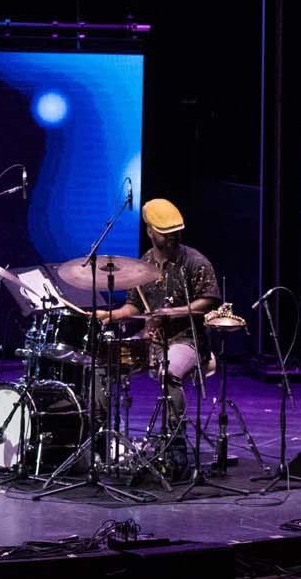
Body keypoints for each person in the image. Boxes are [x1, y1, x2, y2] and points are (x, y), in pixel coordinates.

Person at [94, 198, 220, 467]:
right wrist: (112, 316)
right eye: (166, 232)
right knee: (103, 365)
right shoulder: (144, 264)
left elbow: (210, 300)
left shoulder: (195, 262)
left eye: (176, 231)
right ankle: (100, 438)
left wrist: (173, 313)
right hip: (151, 340)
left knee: (169, 372)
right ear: (150, 231)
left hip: (188, 340)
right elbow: (134, 305)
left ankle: (175, 442)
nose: (173, 236)